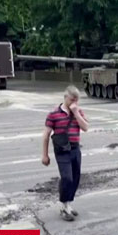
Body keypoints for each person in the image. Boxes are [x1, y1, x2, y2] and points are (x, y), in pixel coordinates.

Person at [42, 86, 89, 221]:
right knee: (67, 177)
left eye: (76, 100)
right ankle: (64, 205)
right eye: (72, 99)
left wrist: (76, 113)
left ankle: (68, 204)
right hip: (62, 150)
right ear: (65, 98)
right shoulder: (54, 114)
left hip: (75, 148)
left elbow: (85, 127)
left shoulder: (78, 111)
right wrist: (45, 155)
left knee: (75, 178)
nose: (74, 102)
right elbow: (46, 135)